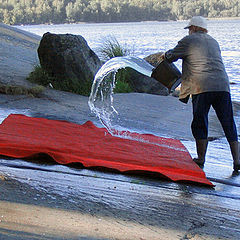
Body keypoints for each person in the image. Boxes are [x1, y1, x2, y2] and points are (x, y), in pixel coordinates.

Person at [163, 16, 240, 172]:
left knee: (200, 120)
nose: (189, 31)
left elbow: (170, 57)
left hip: (201, 85)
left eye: (189, 29)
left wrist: (165, 54)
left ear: (193, 28)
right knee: (228, 122)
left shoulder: (188, 40)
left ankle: (201, 158)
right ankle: (237, 160)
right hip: (222, 86)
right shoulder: (213, 41)